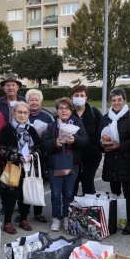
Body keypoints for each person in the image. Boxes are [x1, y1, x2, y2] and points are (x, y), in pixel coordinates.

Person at [43, 97, 89, 232]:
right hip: (55, 164)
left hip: (71, 163)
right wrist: (54, 143)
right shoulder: (51, 126)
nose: (64, 110)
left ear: (71, 110)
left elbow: (85, 141)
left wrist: (74, 140)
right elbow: (45, 145)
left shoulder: (78, 124)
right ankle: (56, 218)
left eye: (67, 108)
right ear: (57, 111)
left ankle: (66, 216)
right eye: (61, 108)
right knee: (56, 194)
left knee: (68, 193)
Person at [99, 88, 130, 235]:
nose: (116, 103)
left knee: (128, 192)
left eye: (119, 100)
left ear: (125, 101)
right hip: (112, 160)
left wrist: (119, 145)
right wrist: (103, 146)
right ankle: (116, 219)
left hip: (127, 160)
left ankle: (129, 222)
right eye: (113, 100)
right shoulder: (106, 117)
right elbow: (101, 137)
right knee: (115, 192)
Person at [0, 102, 43, 233]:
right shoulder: (6, 130)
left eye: (25, 112)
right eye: (19, 112)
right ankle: (7, 222)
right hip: (13, 168)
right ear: (14, 113)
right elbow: (1, 150)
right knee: (11, 196)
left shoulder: (31, 130)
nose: (22, 115)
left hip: (29, 168)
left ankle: (23, 219)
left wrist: (32, 155)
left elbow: (40, 148)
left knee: (26, 194)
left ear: (28, 114)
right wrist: (18, 157)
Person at [14, 88, 53, 224]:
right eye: (31, 100)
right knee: (22, 184)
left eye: (37, 100)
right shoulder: (24, 114)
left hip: (39, 155)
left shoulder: (47, 117)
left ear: (40, 101)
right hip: (23, 156)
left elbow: (51, 135)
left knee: (38, 183)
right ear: (27, 101)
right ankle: (22, 212)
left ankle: (38, 212)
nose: (34, 102)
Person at [71, 85, 103, 196]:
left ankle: (89, 211)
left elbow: (102, 132)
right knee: (72, 185)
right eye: (76, 95)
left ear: (86, 97)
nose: (79, 97)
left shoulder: (94, 113)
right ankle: (71, 211)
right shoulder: (68, 113)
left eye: (82, 95)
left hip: (91, 156)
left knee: (88, 183)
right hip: (72, 157)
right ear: (72, 97)